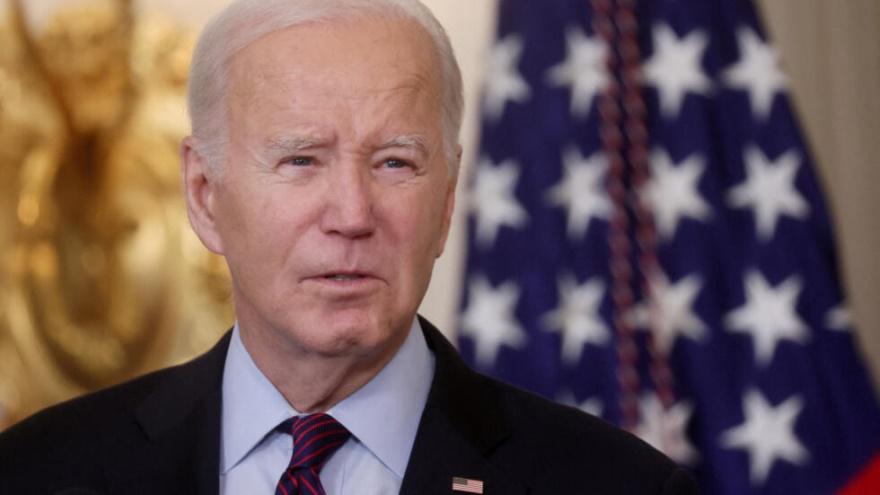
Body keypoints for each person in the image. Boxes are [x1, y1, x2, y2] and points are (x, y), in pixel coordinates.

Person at [0, 0, 698, 493]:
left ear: (448, 197)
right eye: (302, 160)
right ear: (205, 193)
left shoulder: (617, 483)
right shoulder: (37, 471)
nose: (353, 214)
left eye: (395, 162)